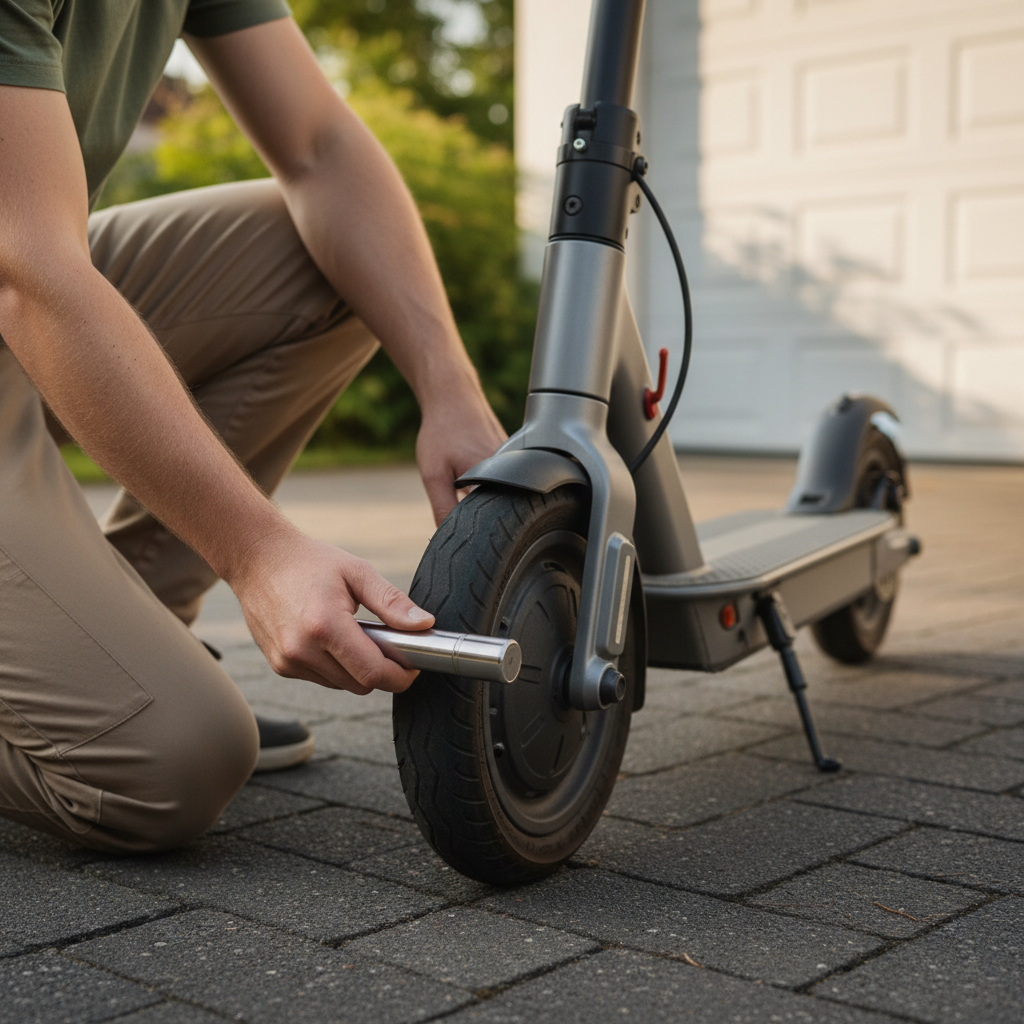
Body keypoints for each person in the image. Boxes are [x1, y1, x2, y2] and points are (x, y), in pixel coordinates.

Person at [0, 2, 506, 852]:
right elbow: (31, 271)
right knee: (170, 762)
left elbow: (322, 149)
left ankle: (129, 636)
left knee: (337, 255)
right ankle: (91, 708)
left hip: (24, 271)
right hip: (23, 269)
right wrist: (259, 552)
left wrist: (450, 387)